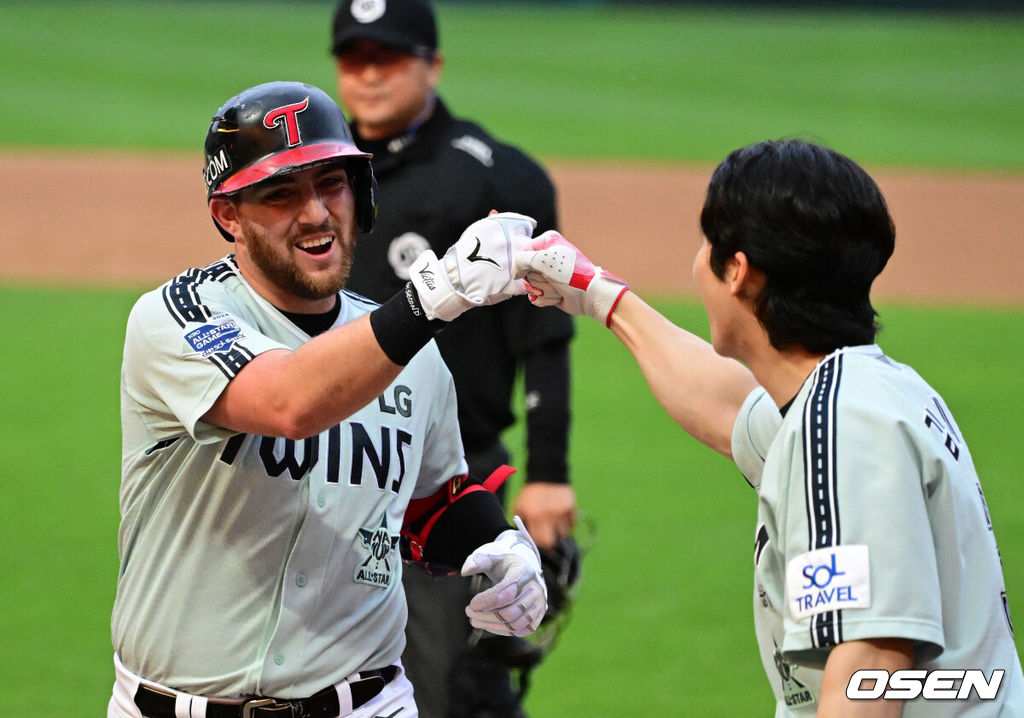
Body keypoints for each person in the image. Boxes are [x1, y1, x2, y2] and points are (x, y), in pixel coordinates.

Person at [517, 138, 1024, 716]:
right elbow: (730, 409)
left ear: (738, 272)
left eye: (708, 243)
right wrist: (596, 293)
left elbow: (871, 662)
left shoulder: (841, 427)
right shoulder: (869, 391)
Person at [108, 80, 551, 718]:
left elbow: (430, 501)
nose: (315, 213)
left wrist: (500, 547)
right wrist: (439, 294)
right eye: (280, 193)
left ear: (362, 194)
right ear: (227, 214)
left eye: (331, 184)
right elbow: (289, 403)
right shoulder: (175, 318)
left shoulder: (411, 356)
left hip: (369, 703)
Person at [328, 2, 578, 716]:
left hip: (449, 483)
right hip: (332, 477)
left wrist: (551, 474)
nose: (370, 74)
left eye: (390, 56)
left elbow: (547, 335)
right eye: (354, 57)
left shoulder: (499, 179)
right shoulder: (319, 183)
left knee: (452, 690)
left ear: (433, 64)